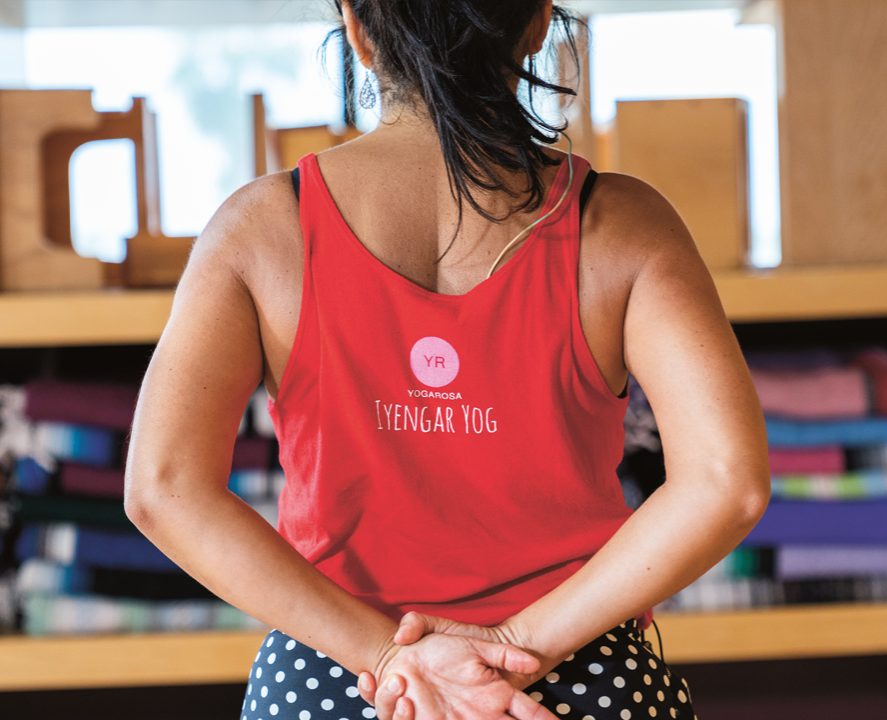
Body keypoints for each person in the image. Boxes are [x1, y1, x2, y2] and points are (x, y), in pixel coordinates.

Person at [122, 0, 771, 718]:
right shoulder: (621, 224)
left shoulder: (255, 229)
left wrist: (387, 655)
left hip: (336, 678)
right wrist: (519, 643)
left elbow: (162, 488)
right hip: (580, 671)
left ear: (359, 30)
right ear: (535, 25)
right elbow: (725, 481)